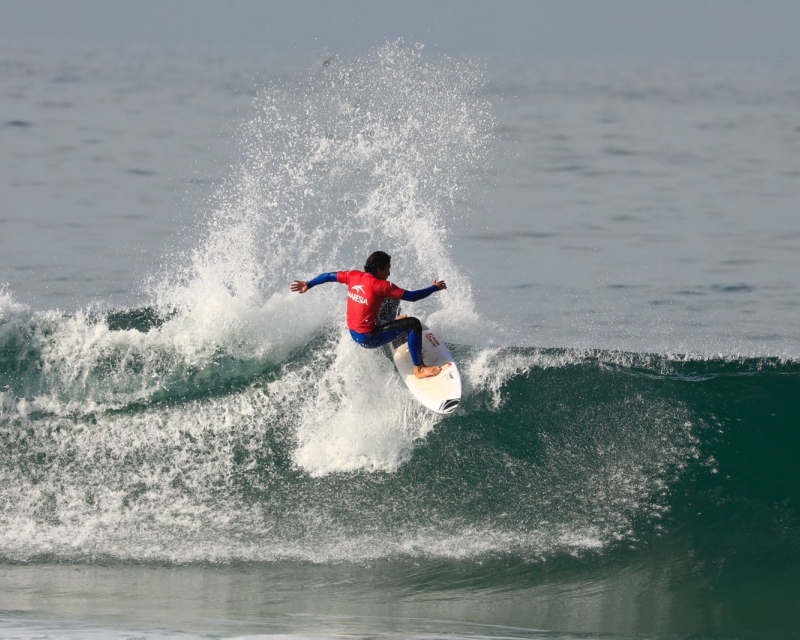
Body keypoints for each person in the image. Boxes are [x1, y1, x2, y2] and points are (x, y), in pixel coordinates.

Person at [291, 251, 446, 379]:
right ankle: (419, 369)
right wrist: (434, 288)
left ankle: (391, 324)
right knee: (413, 324)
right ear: (378, 269)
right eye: (387, 269)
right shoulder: (382, 285)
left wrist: (308, 284)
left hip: (354, 333)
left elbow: (327, 276)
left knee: (393, 300)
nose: (389, 273)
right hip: (370, 338)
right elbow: (412, 296)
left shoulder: (353, 275)